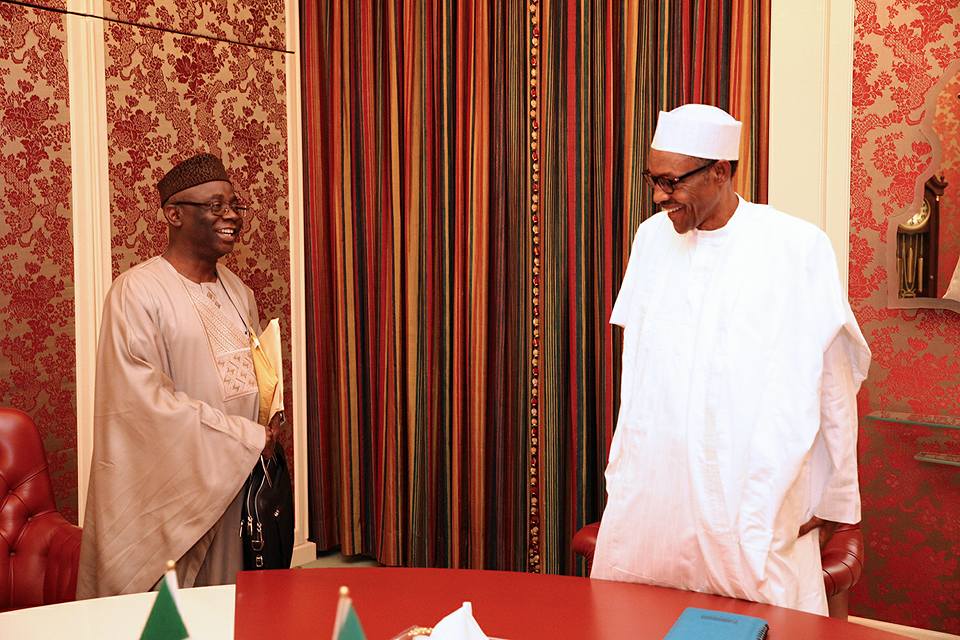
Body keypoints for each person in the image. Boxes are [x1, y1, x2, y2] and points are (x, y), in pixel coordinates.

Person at [590, 104, 871, 615]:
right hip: (658, 487)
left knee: (759, 618)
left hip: (750, 489)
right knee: (635, 614)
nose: (658, 196)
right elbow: (639, 367)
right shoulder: (650, 241)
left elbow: (834, 380)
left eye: (672, 182)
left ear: (720, 171)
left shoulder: (796, 246)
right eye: (652, 179)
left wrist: (836, 497)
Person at [77, 153, 283, 598]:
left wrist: (264, 424)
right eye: (214, 205)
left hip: (236, 482)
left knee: (234, 605)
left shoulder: (238, 291)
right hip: (178, 494)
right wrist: (243, 436)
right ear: (174, 214)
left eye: (235, 204)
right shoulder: (136, 292)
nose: (231, 215)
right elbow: (143, 405)